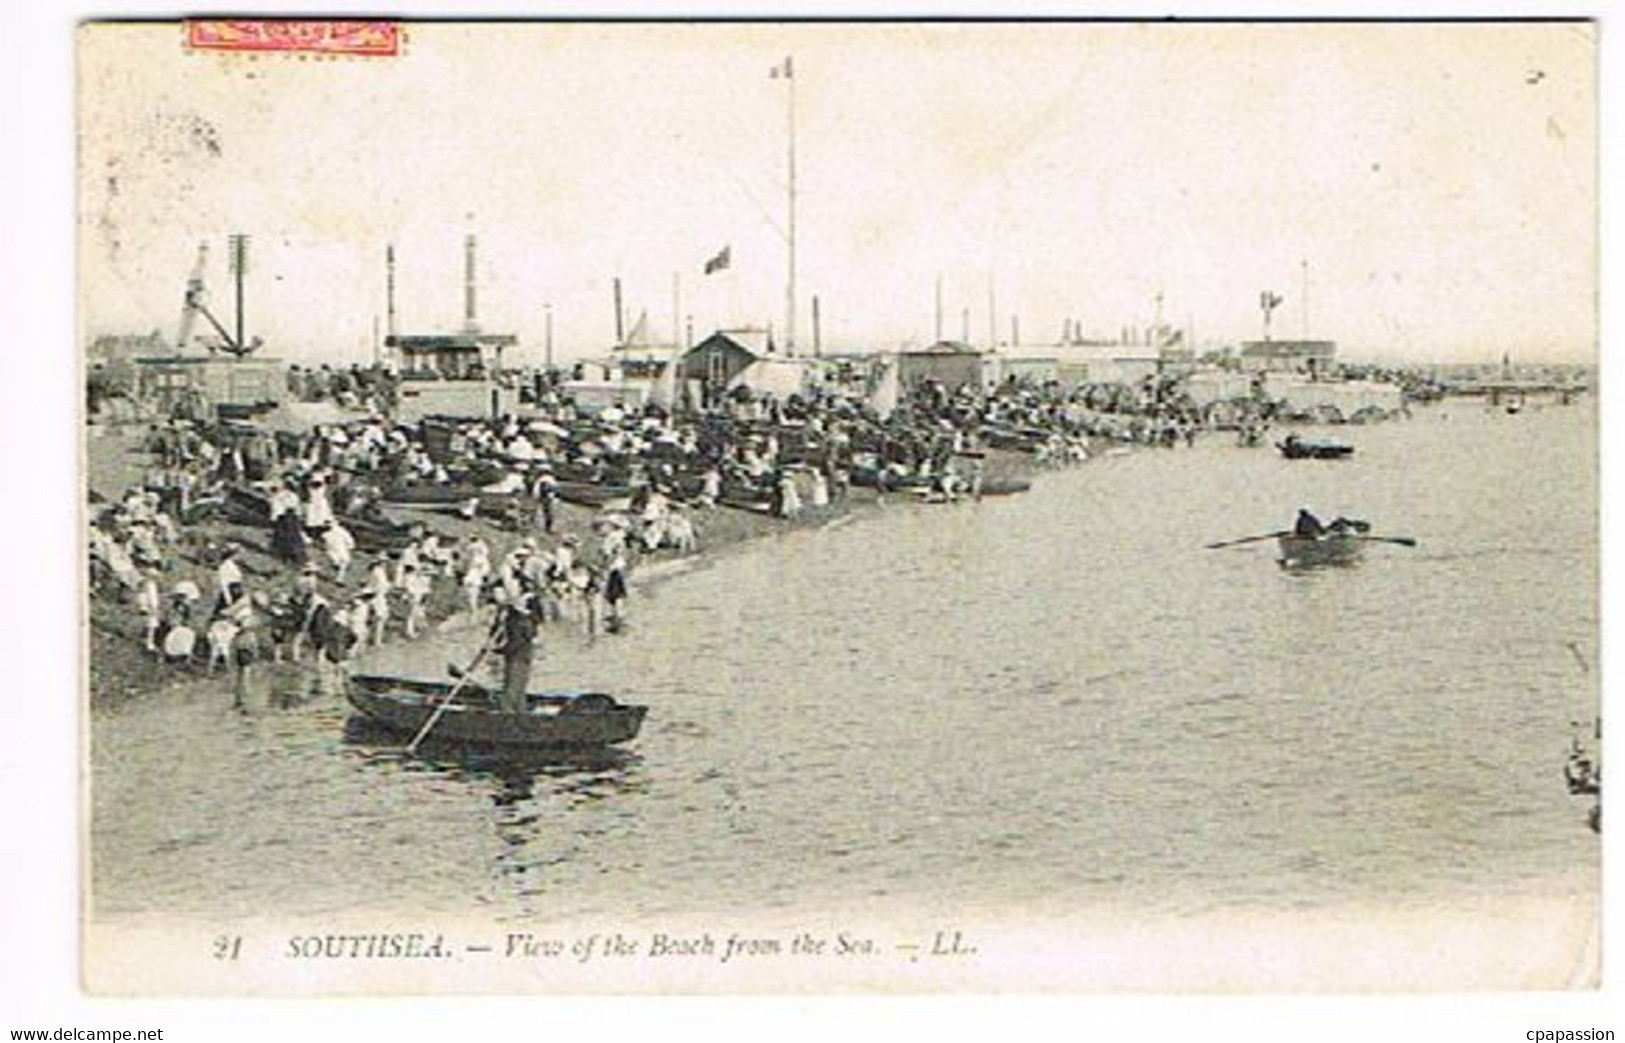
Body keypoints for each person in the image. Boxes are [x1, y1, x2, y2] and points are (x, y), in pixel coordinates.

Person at [490, 586, 540, 715]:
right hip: (525, 656)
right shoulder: (527, 620)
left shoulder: (517, 622)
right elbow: (496, 633)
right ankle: (520, 712)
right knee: (519, 688)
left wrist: (499, 650)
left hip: (517, 657)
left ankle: (507, 715)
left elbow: (516, 642)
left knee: (511, 690)